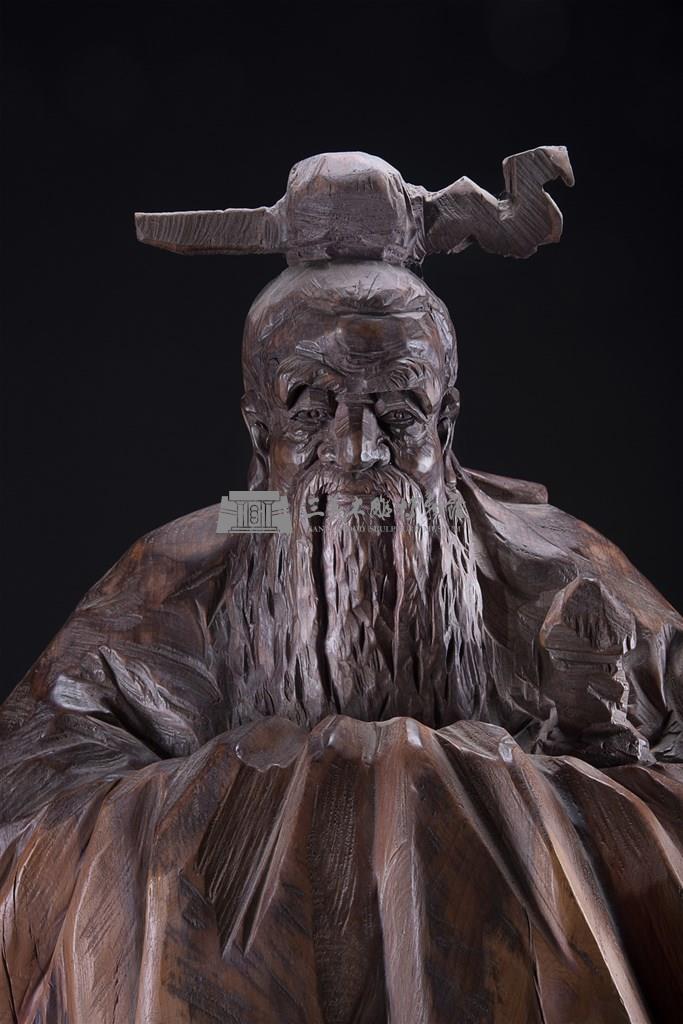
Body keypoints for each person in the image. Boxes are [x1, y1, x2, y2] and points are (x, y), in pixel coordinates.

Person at [1, 152, 681, 1023]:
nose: (357, 453)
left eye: (397, 413)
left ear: (446, 421)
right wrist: (278, 792)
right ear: (260, 429)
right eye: (311, 410)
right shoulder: (202, 553)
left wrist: (585, 751)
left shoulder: (553, 563)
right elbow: (32, 802)